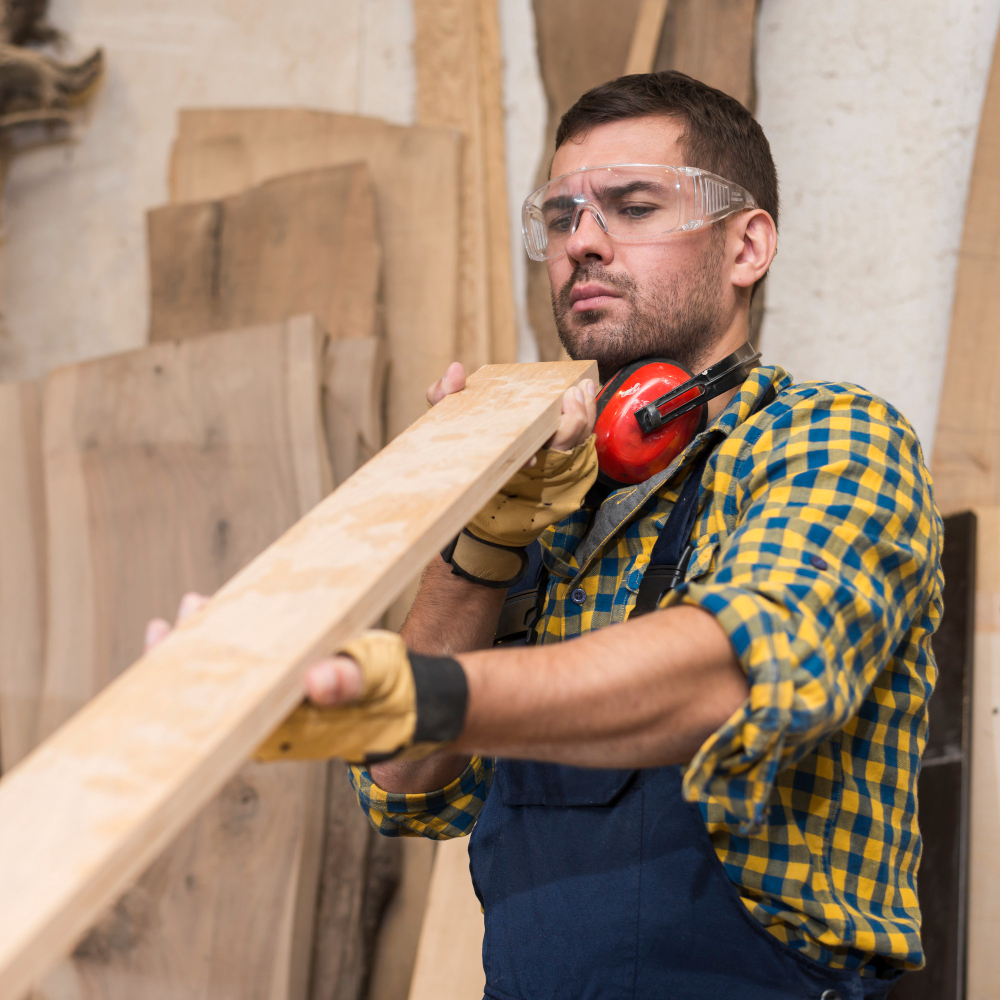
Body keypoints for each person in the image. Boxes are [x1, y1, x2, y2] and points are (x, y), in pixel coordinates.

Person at [153, 72, 942, 999]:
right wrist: (484, 535)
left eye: (631, 206)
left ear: (748, 245)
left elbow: (726, 676)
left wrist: (403, 690)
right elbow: (408, 785)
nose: (582, 243)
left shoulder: (830, 439)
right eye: (562, 216)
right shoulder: (556, 497)